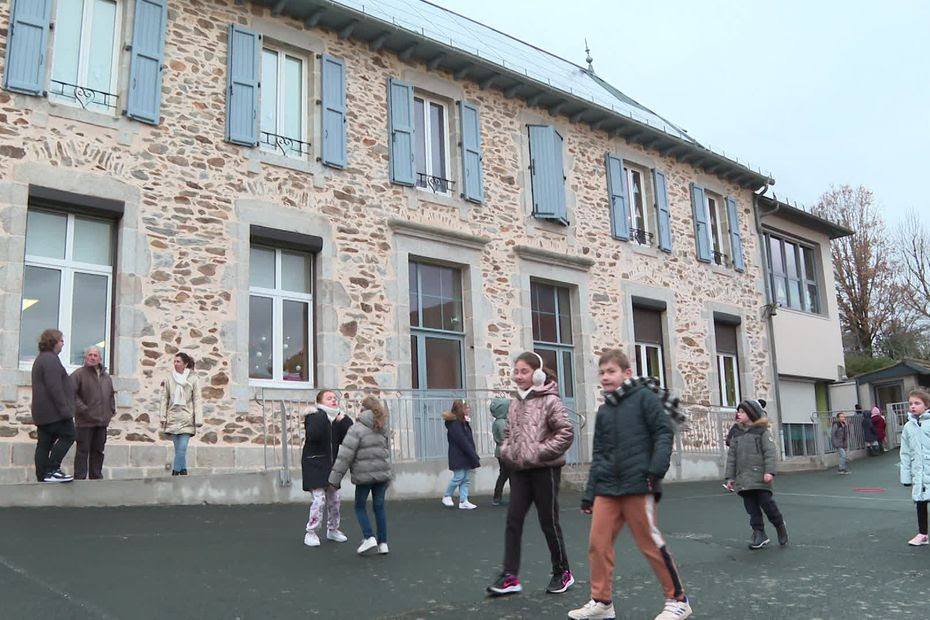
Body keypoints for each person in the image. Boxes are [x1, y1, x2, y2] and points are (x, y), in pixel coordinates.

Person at [568, 349, 690, 620]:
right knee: (597, 543)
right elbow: (599, 453)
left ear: (627, 373)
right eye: (601, 372)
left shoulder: (645, 398)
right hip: (607, 488)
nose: (605, 377)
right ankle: (602, 602)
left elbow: (663, 431)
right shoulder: (603, 411)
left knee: (649, 542)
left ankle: (678, 599)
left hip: (639, 483)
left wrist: (656, 470)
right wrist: (590, 494)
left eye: (611, 371)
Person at [487, 351, 574, 597]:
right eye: (516, 371)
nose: (518, 375)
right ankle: (510, 576)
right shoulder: (515, 402)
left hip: (544, 470)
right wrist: (508, 451)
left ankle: (562, 572)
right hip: (519, 470)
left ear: (537, 373)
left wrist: (538, 452)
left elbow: (566, 433)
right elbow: (507, 434)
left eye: (524, 371)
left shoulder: (551, 401)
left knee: (549, 522)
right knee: (513, 520)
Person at [329, 396, 392, 555]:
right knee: (379, 508)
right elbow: (387, 453)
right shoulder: (382, 427)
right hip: (381, 474)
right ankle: (383, 543)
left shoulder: (356, 429)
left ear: (363, 409)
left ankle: (369, 536)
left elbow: (345, 456)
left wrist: (334, 480)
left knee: (359, 506)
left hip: (363, 476)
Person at [724, 399, 788, 550]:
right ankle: (759, 533)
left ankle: (779, 525)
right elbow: (732, 457)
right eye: (738, 411)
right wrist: (730, 478)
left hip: (760, 477)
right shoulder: (737, 433)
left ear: (751, 414)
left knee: (767, 504)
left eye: (742, 412)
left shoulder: (762, 432)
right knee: (751, 508)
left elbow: (770, 453)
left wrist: (769, 471)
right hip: (744, 479)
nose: (738, 414)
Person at [301, 389, 353, 547]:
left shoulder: (337, 419)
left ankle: (333, 529)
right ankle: (311, 532)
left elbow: (350, 435)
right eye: (329, 398)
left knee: (335, 500)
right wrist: (324, 417)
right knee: (319, 499)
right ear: (320, 402)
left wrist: (344, 420)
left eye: (334, 398)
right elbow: (313, 435)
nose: (333, 400)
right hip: (315, 464)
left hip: (331, 465)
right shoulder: (314, 416)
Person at [31, 329, 76, 483]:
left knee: (44, 443)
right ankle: (52, 470)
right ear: (54, 342)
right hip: (54, 412)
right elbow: (55, 387)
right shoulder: (50, 360)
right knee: (69, 435)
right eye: (61, 341)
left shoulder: (41, 359)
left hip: (42, 413)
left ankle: (42, 476)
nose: (63, 344)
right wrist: (65, 410)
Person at [70, 346, 116, 480]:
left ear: (100, 358)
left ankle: (96, 479)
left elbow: (111, 396)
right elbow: (71, 394)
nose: (92, 357)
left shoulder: (106, 377)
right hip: (85, 422)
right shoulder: (78, 374)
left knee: (98, 452)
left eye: (95, 355)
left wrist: (111, 410)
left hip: (101, 422)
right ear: (85, 358)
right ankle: (80, 479)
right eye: (90, 355)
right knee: (82, 452)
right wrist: (83, 409)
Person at [159, 352, 202, 475]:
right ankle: (183, 471)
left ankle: (175, 472)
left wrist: (198, 419)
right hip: (173, 417)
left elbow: (197, 399)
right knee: (178, 449)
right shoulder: (169, 378)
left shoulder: (193, 379)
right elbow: (164, 398)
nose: (176, 364)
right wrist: (163, 416)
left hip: (187, 417)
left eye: (178, 361)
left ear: (185, 364)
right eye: (175, 361)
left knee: (182, 448)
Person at [899, 389, 930, 546]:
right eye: (910, 403)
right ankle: (923, 534)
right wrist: (906, 477)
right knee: (920, 503)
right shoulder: (908, 427)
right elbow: (905, 453)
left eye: (917, 403)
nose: (913, 406)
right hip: (919, 473)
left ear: (926, 405)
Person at [441, 399, 481, 510]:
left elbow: (467, 440)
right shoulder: (455, 424)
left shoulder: (463, 422)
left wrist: (472, 453)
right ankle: (447, 495)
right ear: (461, 409)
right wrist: (473, 454)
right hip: (458, 455)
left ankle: (464, 500)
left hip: (465, 455)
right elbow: (462, 441)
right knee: (458, 477)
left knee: (466, 478)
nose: (468, 409)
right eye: (466, 407)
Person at [490, 397, 511, 506]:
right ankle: (498, 497)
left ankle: (497, 497)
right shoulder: (502, 423)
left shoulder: (499, 422)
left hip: (501, 451)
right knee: (510, 474)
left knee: (504, 474)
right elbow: (505, 437)